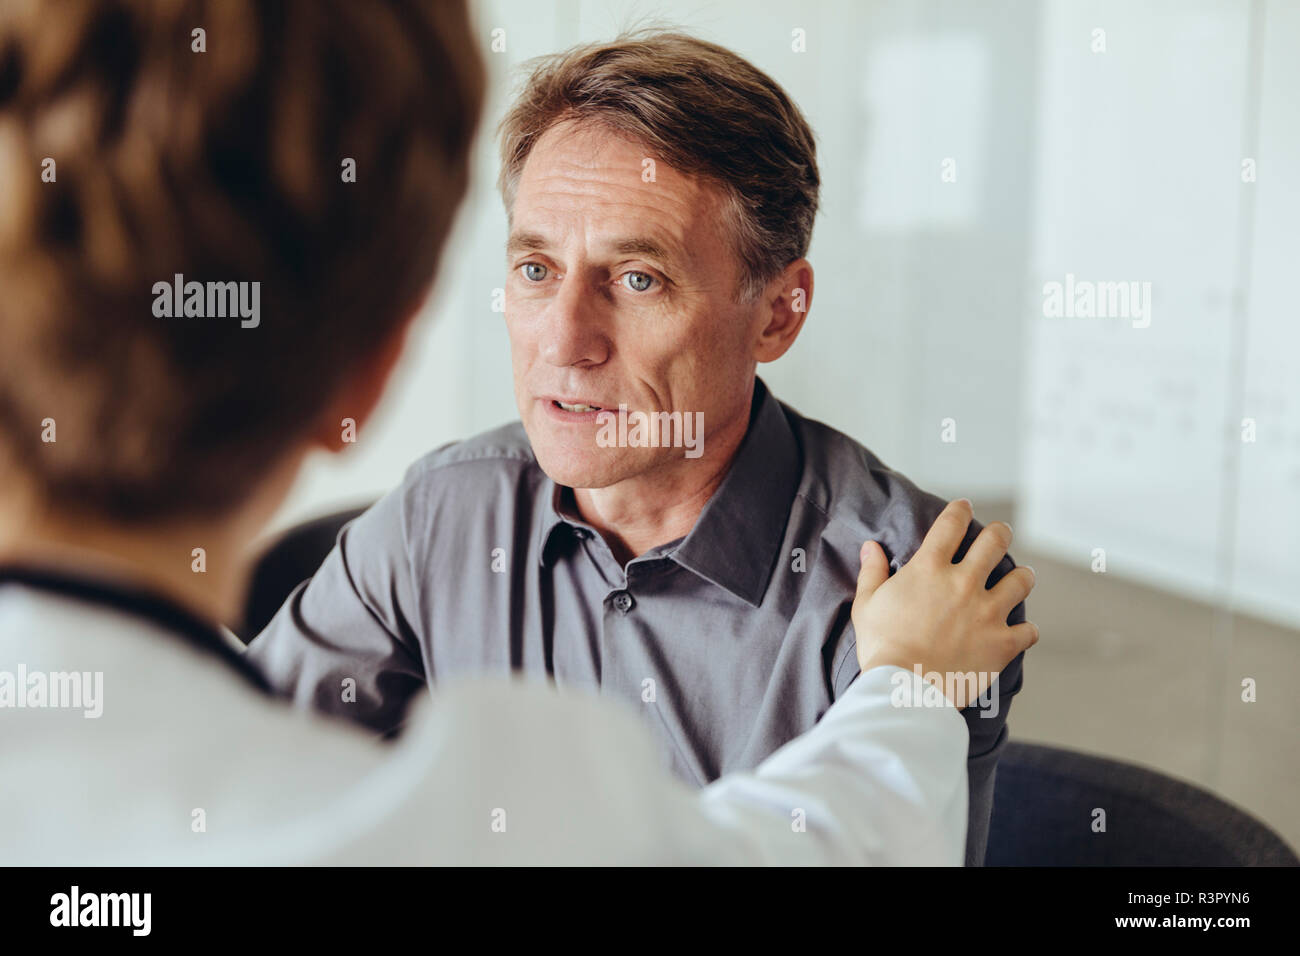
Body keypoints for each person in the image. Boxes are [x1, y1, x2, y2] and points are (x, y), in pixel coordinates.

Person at [0, 0, 1037, 864]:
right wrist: (909, 691)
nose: (565, 341)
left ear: (778, 309)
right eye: (534, 269)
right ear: (373, 360)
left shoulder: (913, 588)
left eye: (639, 278)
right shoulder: (443, 512)